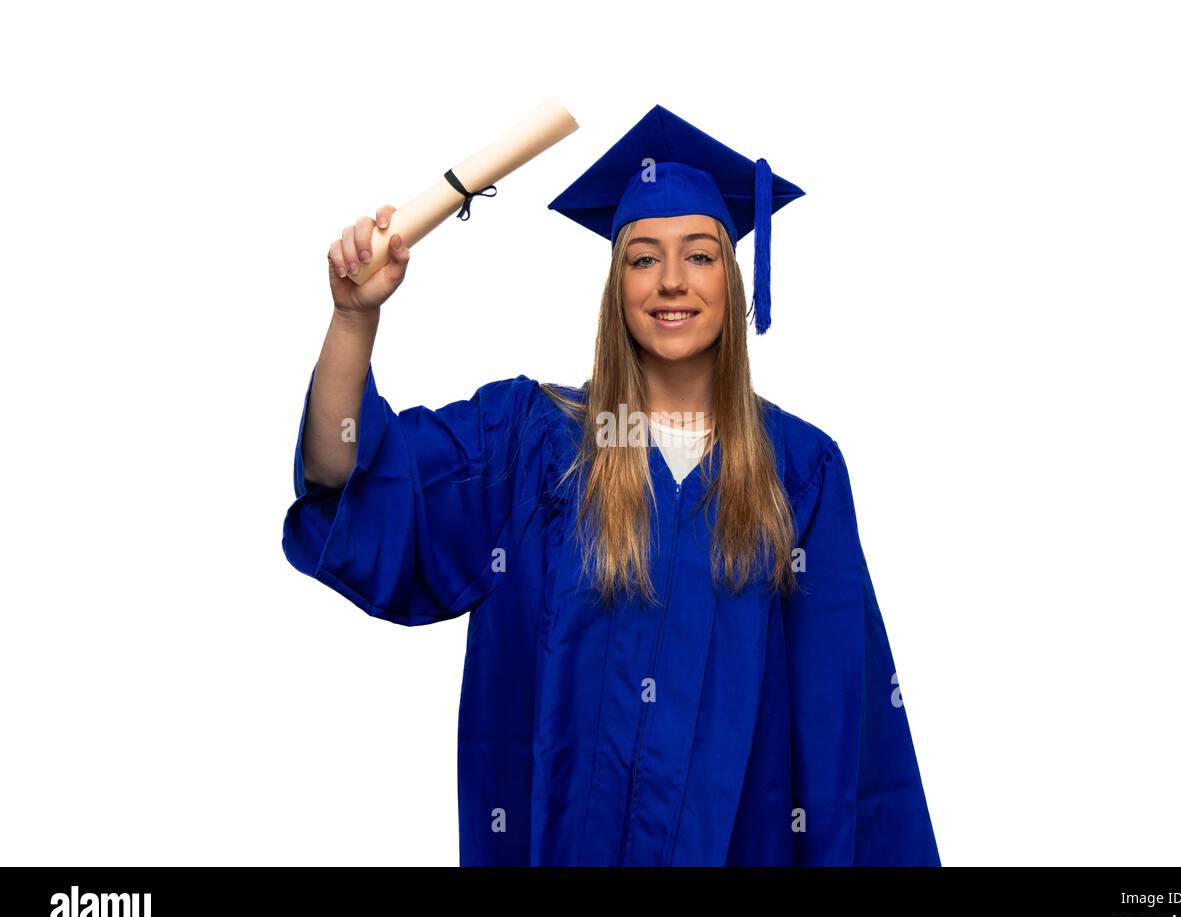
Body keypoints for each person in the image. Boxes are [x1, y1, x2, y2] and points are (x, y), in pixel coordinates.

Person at [284, 105, 941, 866]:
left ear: (731, 280)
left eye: (698, 256)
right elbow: (346, 473)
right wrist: (353, 319)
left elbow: (846, 734)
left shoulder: (799, 471)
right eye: (642, 258)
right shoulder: (532, 443)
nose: (671, 282)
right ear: (616, 285)